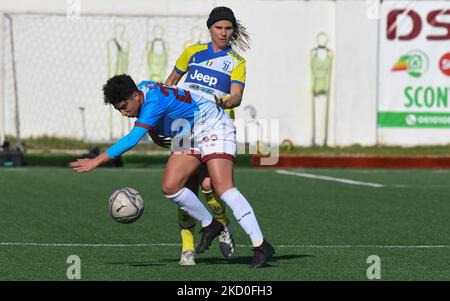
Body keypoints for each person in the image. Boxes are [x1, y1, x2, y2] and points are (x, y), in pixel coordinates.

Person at [68, 74, 275, 268]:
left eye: (124, 107)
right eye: (119, 110)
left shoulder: (152, 102)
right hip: (189, 131)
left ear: (135, 96)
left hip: (213, 124)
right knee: (170, 187)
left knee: (224, 188)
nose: (124, 113)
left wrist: (95, 161)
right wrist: (156, 129)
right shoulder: (142, 88)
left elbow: (132, 139)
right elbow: (167, 108)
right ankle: (210, 224)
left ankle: (260, 245)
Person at [165, 6, 250, 265]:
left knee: (209, 186)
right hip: (186, 126)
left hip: (216, 128)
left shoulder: (237, 62)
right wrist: (164, 113)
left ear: (233, 31)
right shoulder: (192, 53)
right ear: (210, 28)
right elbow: (170, 84)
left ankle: (222, 226)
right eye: (218, 28)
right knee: (183, 187)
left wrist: (225, 101)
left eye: (228, 28)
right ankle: (187, 249)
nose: (223, 33)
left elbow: (236, 95)